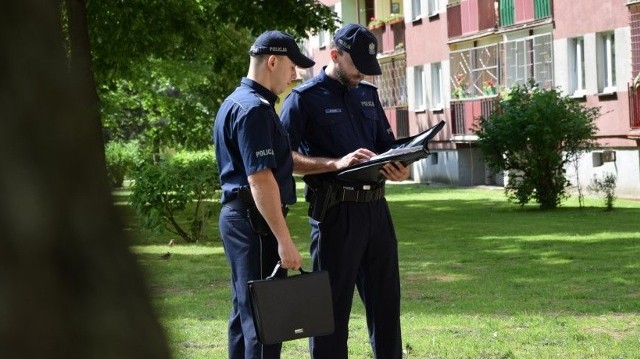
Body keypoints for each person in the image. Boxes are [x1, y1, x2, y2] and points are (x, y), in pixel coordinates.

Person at [280, 23, 409, 359]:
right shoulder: (303, 100)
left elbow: (385, 145)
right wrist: (335, 164)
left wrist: (399, 164)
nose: (363, 76)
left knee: (385, 304)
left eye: (368, 69)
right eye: (357, 68)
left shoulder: (368, 95)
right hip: (335, 214)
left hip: (377, 212)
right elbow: (285, 157)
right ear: (335, 55)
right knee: (331, 311)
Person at [213, 30, 315, 359]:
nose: (295, 75)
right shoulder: (254, 110)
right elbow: (261, 179)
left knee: (245, 315)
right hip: (254, 222)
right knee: (264, 321)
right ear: (272, 61)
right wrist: (284, 240)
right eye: (291, 67)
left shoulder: (235, 102)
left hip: (240, 218)